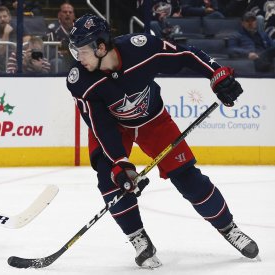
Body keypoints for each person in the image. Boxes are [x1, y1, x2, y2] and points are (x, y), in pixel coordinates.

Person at [66, 14, 259, 268]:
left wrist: (217, 74)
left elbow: (186, 55)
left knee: (188, 179)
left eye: (82, 51)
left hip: (153, 121)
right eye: (75, 51)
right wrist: (120, 163)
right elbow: (100, 126)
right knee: (110, 178)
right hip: (114, 129)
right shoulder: (80, 81)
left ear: (101, 47)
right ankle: (139, 239)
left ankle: (229, 228)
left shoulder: (141, 48)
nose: (78, 58)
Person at [46, 2, 75, 73]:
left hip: (75, 57)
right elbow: (50, 51)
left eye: (70, 12)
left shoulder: (79, 29)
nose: (68, 14)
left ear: (74, 16)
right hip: (60, 58)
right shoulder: (52, 29)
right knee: (57, 61)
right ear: (59, 15)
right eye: (65, 12)